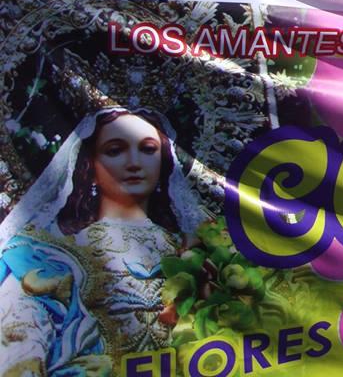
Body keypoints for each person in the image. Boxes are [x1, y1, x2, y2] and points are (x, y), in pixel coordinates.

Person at [0, 107, 204, 376]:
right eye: (115, 150)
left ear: (164, 161)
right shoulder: (51, 254)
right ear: (91, 165)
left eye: (148, 149)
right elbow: (19, 342)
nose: (134, 162)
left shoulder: (192, 249)